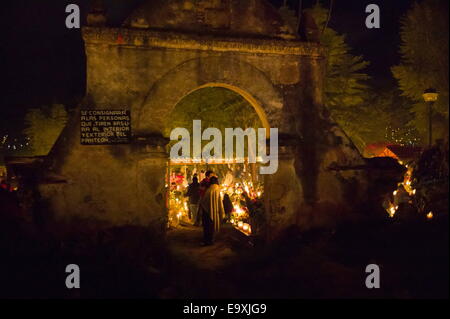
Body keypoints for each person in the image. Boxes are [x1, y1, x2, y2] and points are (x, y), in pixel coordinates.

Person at [199, 176, 225, 246]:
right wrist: (221, 211)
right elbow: (220, 201)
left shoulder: (209, 189)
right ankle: (211, 240)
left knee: (207, 228)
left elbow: (204, 201)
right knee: (212, 228)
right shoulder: (217, 189)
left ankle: (207, 241)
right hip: (215, 211)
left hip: (207, 212)